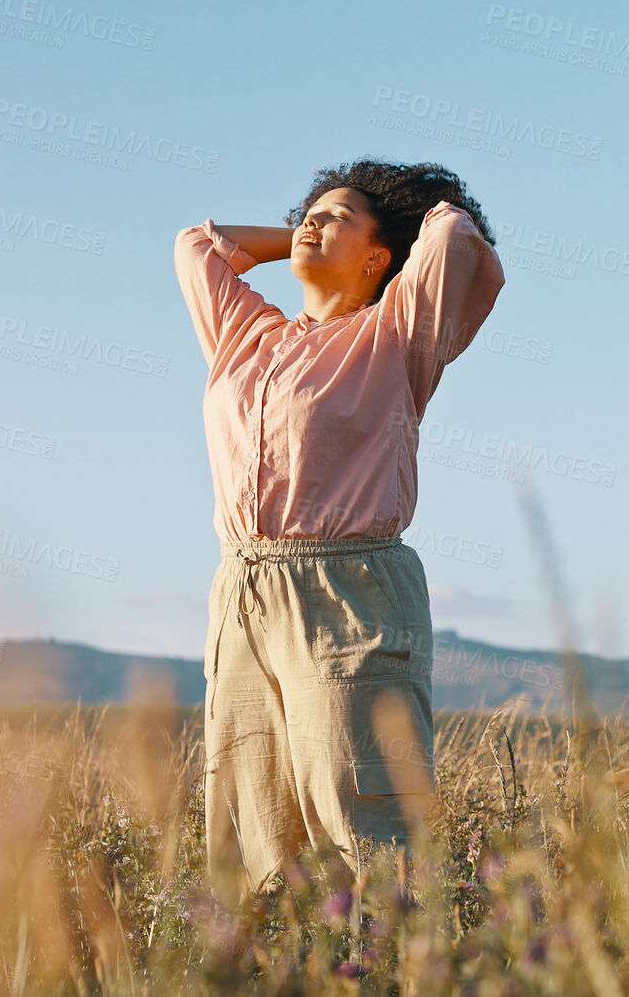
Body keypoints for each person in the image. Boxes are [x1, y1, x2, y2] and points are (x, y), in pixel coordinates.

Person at [173, 159, 505, 897]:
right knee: (250, 820)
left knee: (364, 810)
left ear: (381, 254)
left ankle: (391, 967)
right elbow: (199, 247)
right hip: (241, 588)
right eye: (307, 213)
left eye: (338, 216)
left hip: (349, 586)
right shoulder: (244, 337)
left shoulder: (395, 338)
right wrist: (303, 231)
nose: (312, 223)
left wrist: (411, 204)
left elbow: (454, 235)